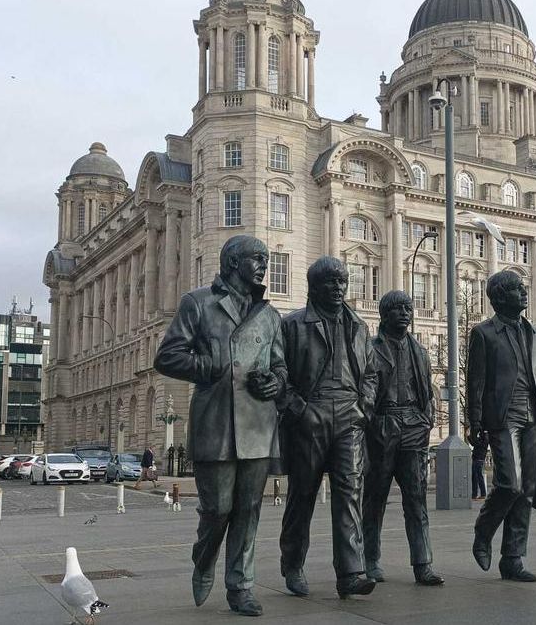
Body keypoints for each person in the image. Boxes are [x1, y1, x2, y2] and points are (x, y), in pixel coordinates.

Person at [153, 235, 288, 617]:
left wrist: (275, 382)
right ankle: (204, 556)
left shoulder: (269, 315)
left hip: (258, 425)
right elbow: (167, 357)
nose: (264, 264)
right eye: (256, 258)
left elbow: (281, 366)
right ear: (232, 262)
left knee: (248, 509)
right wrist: (206, 367)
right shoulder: (198, 304)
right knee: (217, 509)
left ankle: (240, 586)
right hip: (216, 423)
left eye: (266, 258)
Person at [279, 257, 378, 599]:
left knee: (350, 494)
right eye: (330, 283)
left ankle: (350, 573)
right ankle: (292, 563)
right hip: (311, 415)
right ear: (314, 287)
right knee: (302, 495)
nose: (338, 289)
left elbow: (371, 374)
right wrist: (301, 411)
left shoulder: (360, 327)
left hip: (350, 417)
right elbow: (280, 377)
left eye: (342, 282)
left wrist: (363, 407)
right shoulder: (293, 325)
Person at [467, 270, 536, 583]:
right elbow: (476, 382)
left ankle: (512, 558)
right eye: (516, 288)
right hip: (503, 416)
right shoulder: (483, 333)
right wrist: (474, 422)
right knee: (509, 483)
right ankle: (484, 530)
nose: (524, 291)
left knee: (526, 490)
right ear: (500, 296)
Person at [361, 291, 444, 587]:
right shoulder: (370, 348)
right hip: (382, 425)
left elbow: (427, 391)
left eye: (407, 308)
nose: (404, 313)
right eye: (397, 308)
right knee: (374, 499)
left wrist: (426, 420)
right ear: (384, 314)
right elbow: (365, 390)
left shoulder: (420, 351)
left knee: (416, 499)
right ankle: (369, 560)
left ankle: (423, 564)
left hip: (413, 427)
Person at [471, 429, 488, 501]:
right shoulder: (483, 439)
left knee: (478, 476)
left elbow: (475, 443)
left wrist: (469, 436)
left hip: (478, 459)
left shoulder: (484, 439)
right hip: (477, 459)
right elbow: (474, 443)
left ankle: (481, 494)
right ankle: (475, 494)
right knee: (475, 477)